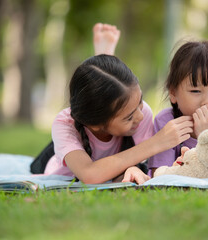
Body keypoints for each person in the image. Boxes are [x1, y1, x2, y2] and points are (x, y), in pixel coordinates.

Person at [30, 24, 193, 184]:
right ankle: (102, 56)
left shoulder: (139, 114)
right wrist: (157, 142)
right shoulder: (65, 124)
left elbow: (134, 165)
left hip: (101, 126)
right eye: (129, 117)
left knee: (115, 95)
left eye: (140, 101)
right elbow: (89, 175)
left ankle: (104, 57)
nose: (140, 116)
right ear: (95, 125)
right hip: (60, 167)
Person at [148, 40, 208, 177]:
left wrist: (205, 135)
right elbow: (159, 175)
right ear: (173, 93)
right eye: (195, 91)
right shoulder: (167, 122)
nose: (207, 102)